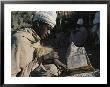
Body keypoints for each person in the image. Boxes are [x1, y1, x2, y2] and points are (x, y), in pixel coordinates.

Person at [11, 11, 66, 77]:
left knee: (53, 69)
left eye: (50, 30)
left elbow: (40, 53)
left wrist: (54, 59)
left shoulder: (35, 38)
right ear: (38, 24)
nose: (49, 32)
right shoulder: (20, 40)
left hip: (30, 71)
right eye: (48, 28)